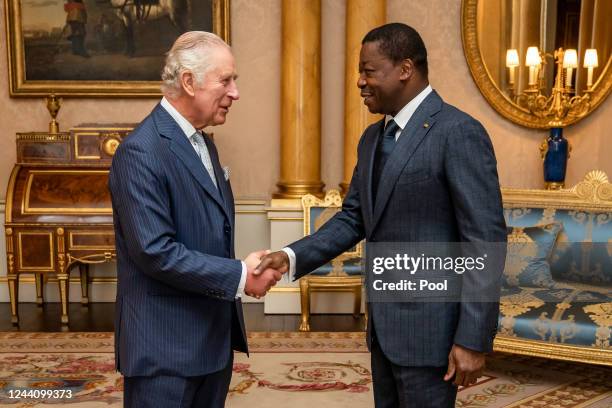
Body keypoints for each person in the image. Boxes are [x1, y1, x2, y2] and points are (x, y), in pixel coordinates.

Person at [257, 23, 507, 407]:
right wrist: (288, 257)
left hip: (432, 334)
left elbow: (484, 240)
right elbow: (352, 218)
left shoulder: (457, 132)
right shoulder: (373, 138)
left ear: (405, 69)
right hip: (384, 333)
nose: (359, 81)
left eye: (368, 71)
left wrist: (472, 338)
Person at [108, 31, 281, 407]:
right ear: (188, 81)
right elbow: (155, 251)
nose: (235, 93)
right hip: (165, 351)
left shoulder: (203, 142)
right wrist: (240, 275)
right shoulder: (141, 152)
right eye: (226, 80)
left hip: (209, 343)